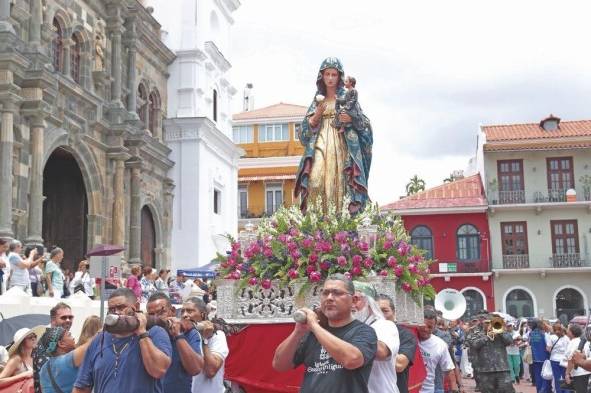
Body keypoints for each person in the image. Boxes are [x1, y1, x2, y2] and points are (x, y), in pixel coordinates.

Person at [273, 274, 378, 393]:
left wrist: (314, 326)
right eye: (325, 293)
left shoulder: (364, 331)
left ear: (353, 300)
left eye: (337, 293)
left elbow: (352, 360)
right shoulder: (312, 333)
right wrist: (298, 332)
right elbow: (279, 365)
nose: (329, 298)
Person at [294, 57, 373, 214]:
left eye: (334, 75)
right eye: (327, 74)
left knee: (341, 184)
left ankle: (340, 222)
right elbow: (303, 136)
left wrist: (351, 119)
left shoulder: (348, 98)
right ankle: (316, 224)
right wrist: (315, 117)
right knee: (315, 180)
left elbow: (365, 126)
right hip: (320, 143)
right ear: (321, 77)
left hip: (342, 145)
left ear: (340, 77)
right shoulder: (317, 101)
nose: (330, 78)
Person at [73, 288, 172, 393]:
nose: (116, 313)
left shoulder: (155, 333)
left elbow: (159, 370)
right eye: (111, 309)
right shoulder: (99, 340)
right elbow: (82, 387)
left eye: (121, 307)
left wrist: (142, 333)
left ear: (136, 307)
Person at [146, 293, 203, 393]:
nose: (156, 318)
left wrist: (178, 336)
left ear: (172, 311)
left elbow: (195, 369)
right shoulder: (147, 334)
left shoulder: (188, 333)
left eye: (161, 312)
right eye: (151, 315)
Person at [352, 282, 399, 393]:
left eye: (356, 299)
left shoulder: (385, 325)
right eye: (348, 300)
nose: (351, 305)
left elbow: (381, 352)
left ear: (369, 303)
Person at [377, 294, 418, 393]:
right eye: (377, 311)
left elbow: (400, 365)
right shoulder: (365, 332)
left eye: (385, 311)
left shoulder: (406, 335)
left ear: (394, 312)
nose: (381, 316)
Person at [189, 296, 229, 393]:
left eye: (190, 311)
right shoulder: (181, 334)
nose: (185, 315)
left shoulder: (217, 335)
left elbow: (211, 371)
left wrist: (204, 340)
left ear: (202, 315)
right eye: (182, 311)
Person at [33, 302, 74, 393]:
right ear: (53, 320)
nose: (68, 320)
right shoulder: (45, 344)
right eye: (63, 317)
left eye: (70, 317)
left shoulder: (66, 339)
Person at [38, 327, 95, 393]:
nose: (73, 337)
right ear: (61, 344)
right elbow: (93, 344)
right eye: (69, 335)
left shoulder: (43, 369)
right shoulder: (66, 360)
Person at [466, 315, 514, 393]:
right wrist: (488, 336)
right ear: (482, 323)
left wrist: (500, 332)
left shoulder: (501, 334)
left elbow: (509, 341)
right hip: (485, 371)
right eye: (487, 323)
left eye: (491, 322)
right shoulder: (477, 333)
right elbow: (474, 344)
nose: (489, 325)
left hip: (502, 370)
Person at [418, 308, 458, 393]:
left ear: (434, 327)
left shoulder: (440, 345)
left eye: (430, 327)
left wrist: (454, 389)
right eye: (423, 326)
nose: (426, 329)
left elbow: (449, 369)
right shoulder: (409, 337)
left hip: (430, 389)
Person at [564, 324, 590, 393]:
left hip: (578, 373)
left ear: (571, 332)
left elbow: (571, 359)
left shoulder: (572, 342)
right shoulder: (585, 341)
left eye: (568, 329)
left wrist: (567, 373)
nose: (567, 331)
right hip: (587, 370)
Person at [529, 319, 551, 393]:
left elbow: (529, 343)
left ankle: (539, 390)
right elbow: (548, 347)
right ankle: (544, 391)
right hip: (545, 358)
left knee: (538, 376)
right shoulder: (544, 334)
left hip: (535, 358)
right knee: (545, 375)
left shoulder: (531, 333)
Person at [547, 322, 569, 393]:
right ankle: (566, 391)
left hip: (554, 359)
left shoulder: (551, 337)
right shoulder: (566, 338)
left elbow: (548, 349)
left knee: (557, 378)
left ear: (553, 329)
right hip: (565, 360)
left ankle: (559, 391)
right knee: (565, 377)